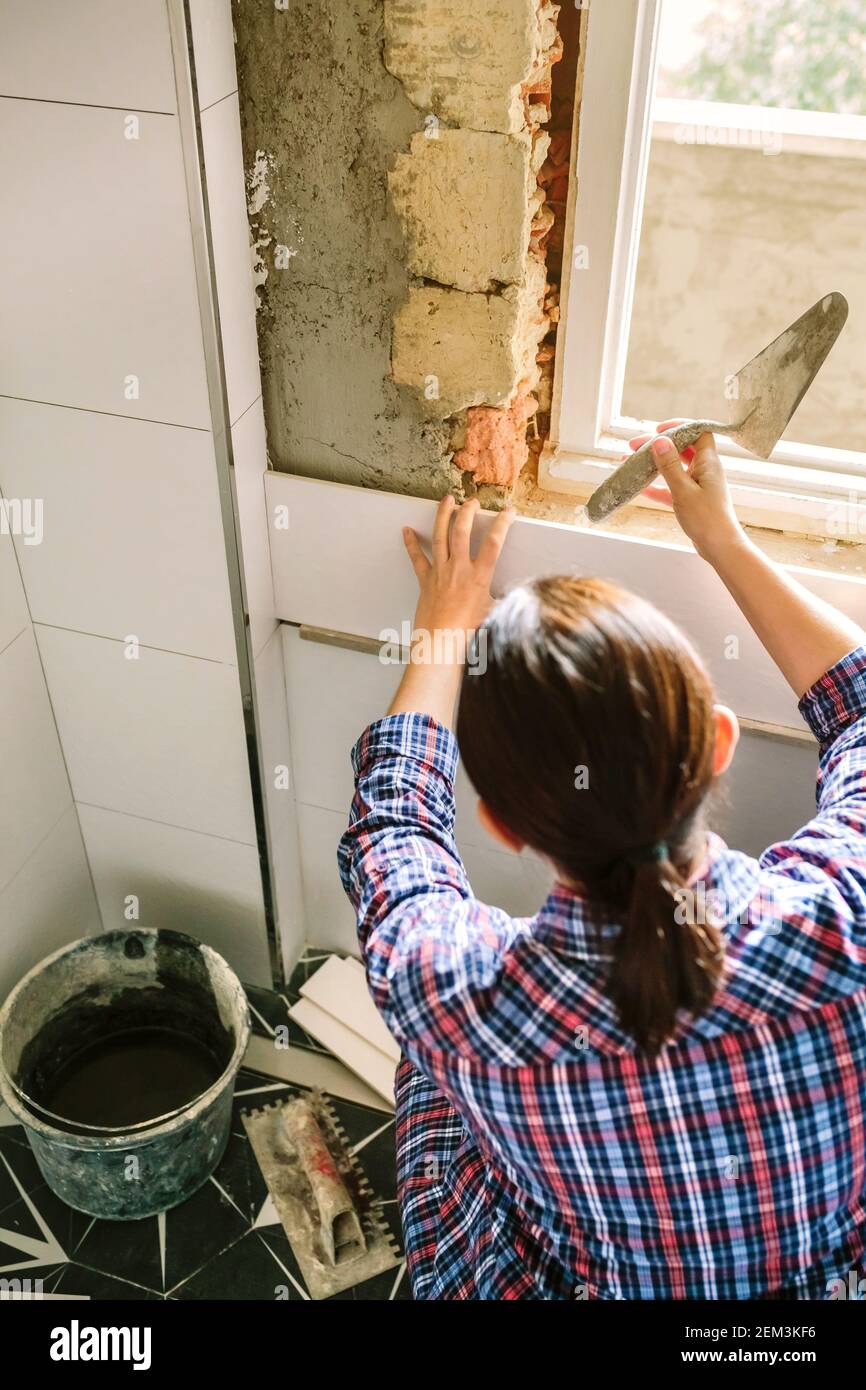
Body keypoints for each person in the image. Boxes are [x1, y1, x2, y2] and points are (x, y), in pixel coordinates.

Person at [337, 425, 866, 1300]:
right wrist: (723, 542)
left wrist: (441, 636)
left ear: (502, 826)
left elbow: (393, 834)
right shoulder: (847, 913)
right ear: (720, 742)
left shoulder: (456, 998)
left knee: (430, 1073)